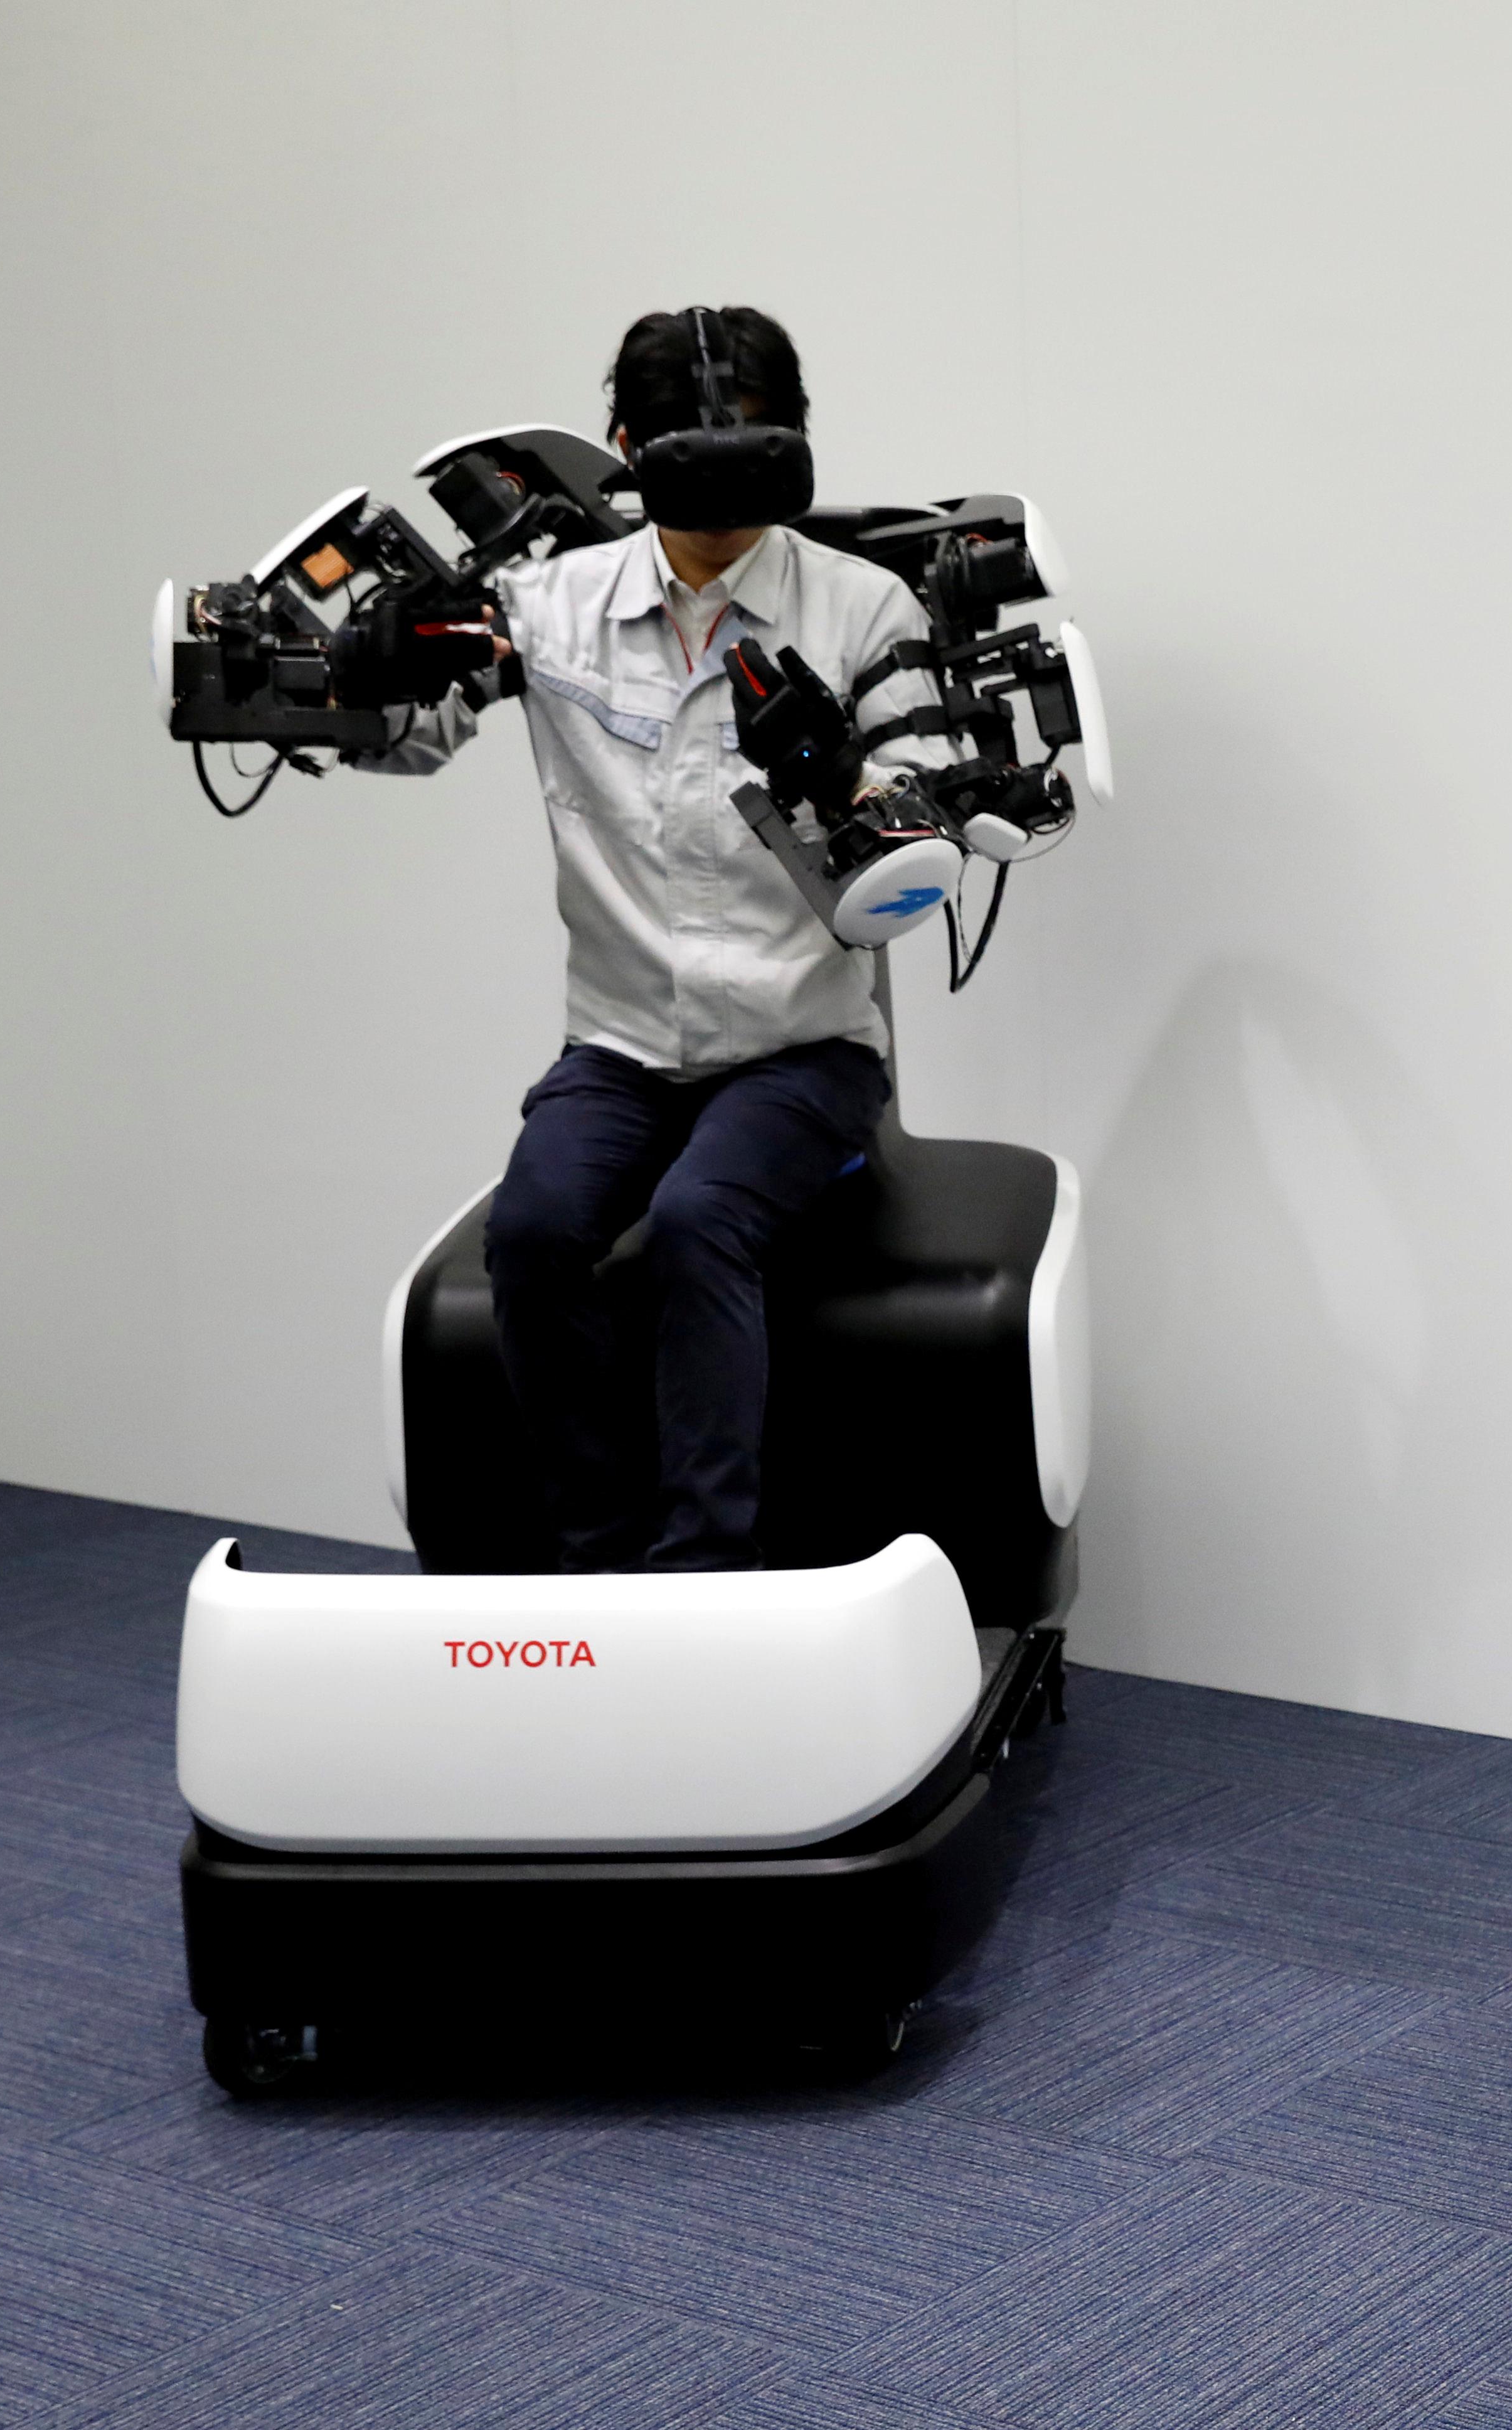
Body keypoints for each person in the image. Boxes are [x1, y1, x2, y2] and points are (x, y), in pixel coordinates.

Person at [357, 308, 956, 1570]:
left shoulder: (864, 608)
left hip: (801, 1049)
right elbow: (415, 732)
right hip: (621, 1047)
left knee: (698, 1226)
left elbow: (924, 818)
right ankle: (594, 1556)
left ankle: (701, 1577)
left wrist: (845, 780)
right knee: (527, 1236)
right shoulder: (547, 604)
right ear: (625, 446)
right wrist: (358, 683)